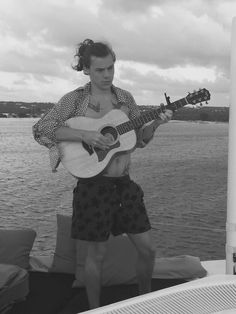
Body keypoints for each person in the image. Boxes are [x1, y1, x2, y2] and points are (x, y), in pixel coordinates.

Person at [33, 38, 173, 309]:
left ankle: (146, 301)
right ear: (86, 69)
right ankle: (97, 309)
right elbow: (42, 128)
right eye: (100, 70)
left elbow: (139, 140)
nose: (107, 75)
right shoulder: (74, 100)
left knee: (148, 250)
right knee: (95, 256)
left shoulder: (125, 99)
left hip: (125, 185)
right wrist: (86, 135)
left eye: (111, 68)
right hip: (93, 187)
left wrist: (157, 122)